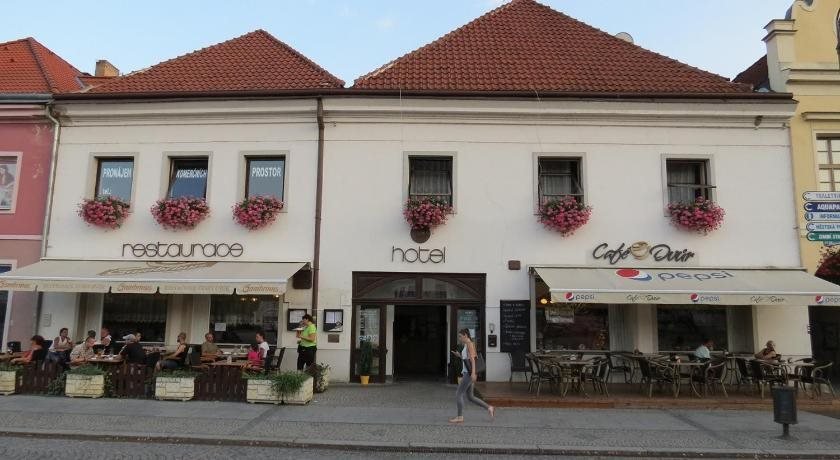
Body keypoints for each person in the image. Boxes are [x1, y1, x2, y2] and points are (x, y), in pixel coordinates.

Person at [449, 329, 494, 423]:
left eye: (460, 336)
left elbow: (473, 360)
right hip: (468, 373)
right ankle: (489, 407)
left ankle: (460, 417)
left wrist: (473, 373)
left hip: (468, 374)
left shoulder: (470, 344)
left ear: (465, 335)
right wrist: (459, 356)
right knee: (470, 397)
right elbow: (467, 359)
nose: (459, 338)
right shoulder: (467, 345)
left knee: (458, 394)